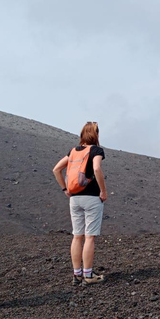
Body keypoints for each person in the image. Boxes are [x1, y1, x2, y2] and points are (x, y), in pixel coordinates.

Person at [52, 121, 108, 285]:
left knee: (77, 236)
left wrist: (64, 189)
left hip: (74, 198)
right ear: (95, 134)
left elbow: (56, 169)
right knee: (89, 237)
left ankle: (77, 275)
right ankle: (88, 275)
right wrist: (103, 191)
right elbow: (96, 168)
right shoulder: (96, 150)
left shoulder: (73, 151)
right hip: (91, 198)